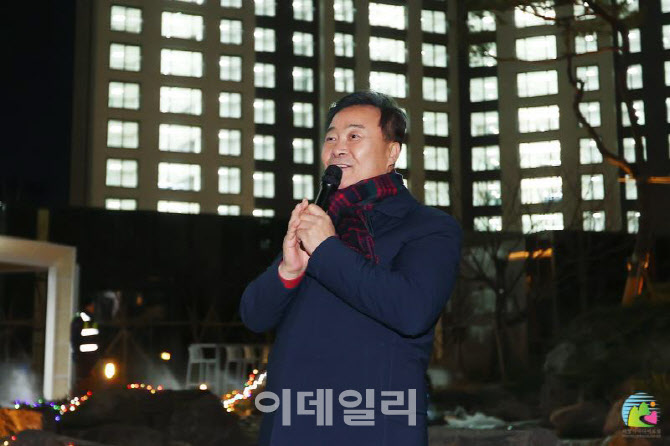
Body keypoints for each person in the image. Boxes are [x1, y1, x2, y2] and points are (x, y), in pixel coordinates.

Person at [240, 91, 462, 445]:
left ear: (392, 152)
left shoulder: (429, 227)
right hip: (290, 425)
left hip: (373, 426)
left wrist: (326, 250)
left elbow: (412, 311)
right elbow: (254, 316)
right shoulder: (318, 223)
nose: (338, 148)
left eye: (354, 135)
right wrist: (289, 270)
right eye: (331, 138)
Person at [70, 298, 100, 394]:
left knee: (90, 382)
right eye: (92, 305)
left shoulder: (92, 320)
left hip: (91, 357)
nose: (94, 308)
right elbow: (75, 339)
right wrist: (77, 354)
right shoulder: (80, 320)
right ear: (88, 306)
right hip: (83, 358)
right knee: (82, 382)